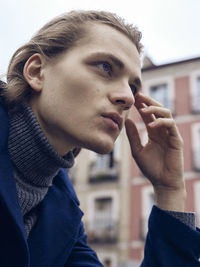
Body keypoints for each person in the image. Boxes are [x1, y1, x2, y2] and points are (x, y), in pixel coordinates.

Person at [0, 9, 200, 267]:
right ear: (37, 71)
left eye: (134, 87)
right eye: (105, 67)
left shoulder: (66, 215)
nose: (128, 97)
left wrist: (170, 191)